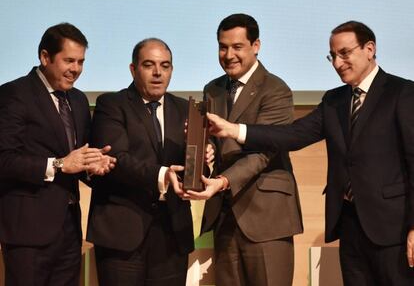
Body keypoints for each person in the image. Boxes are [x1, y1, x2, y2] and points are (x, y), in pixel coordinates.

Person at [206, 20, 414, 285]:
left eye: (345, 53)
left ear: (369, 49)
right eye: (333, 56)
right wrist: (235, 130)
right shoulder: (334, 100)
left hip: (393, 228)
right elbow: (291, 136)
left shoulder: (402, 93)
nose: (338, 63)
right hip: (350, 226)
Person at [183, 14, 303, 286]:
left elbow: (264, 152)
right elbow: (213, 139)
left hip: (267, 217)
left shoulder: (276, 89)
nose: (228, 55)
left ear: (256, 45)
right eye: (223, 47)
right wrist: (207, 151)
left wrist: (223, 181)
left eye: (237, 47)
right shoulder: (212, 89)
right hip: (225, 215)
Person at [86, 38, 213, 286]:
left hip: (171, 235)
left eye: (165, 66)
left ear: (171, 70)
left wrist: (206, 158)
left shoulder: (187, 110)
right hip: (122, 235)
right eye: (149, 65)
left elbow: (193, 167)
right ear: (133, 69)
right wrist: (162, 174)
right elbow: (116, 158)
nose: (158, 73)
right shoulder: (111, 105)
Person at [0, 23, 116, 286]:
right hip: (27, 233)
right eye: (69, 61)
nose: (76, 69)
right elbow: (4, 159)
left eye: (81, 62)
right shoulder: (13, 95)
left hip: (70, 231)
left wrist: (94, 165)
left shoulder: (77, 99)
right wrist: (60, 164)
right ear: (45, 57)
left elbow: (79, 156)